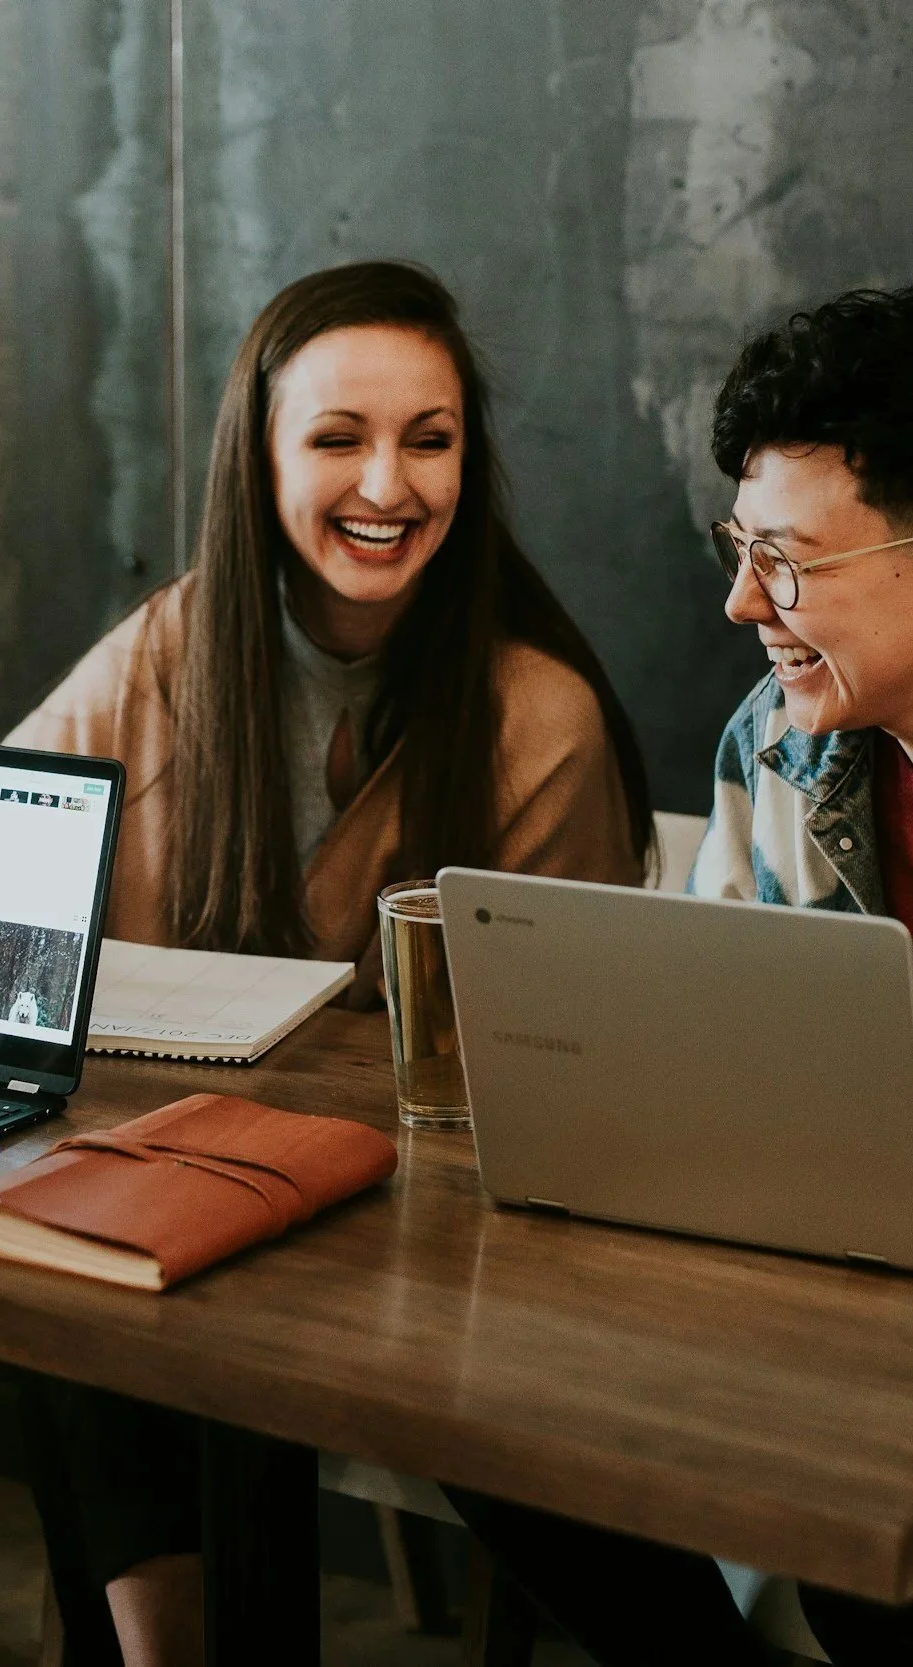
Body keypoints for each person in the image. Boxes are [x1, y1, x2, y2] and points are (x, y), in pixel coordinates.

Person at [5, 260, 655, 1667]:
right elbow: (1, 840)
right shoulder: (175, 645)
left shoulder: (536, 715)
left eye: (430, 439)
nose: (390, 483)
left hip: (426, 1247)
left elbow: (561, 1071)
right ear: (262, 457)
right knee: (61, 1276)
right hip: (180, 1198)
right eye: (339, 437)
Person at [450, 288, 913, 1664]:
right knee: (491, 1423)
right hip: (818, 1305)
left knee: (862, 1571)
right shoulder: (776, 745)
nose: (738, 601)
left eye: (786, 558)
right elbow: (716, 1088)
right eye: (738, 548)